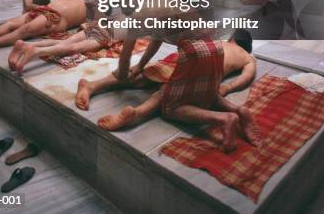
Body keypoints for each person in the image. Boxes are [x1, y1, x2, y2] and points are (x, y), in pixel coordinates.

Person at [76, 28, 261, 152]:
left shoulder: (220, 41)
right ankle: (135, 113)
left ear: (232, 39)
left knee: (144, 79)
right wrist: (228, 87)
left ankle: (95, 88)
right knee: (165, 91)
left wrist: (140, 64)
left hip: (186, 59)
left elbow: (156, 39)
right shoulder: (247, 57)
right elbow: (247, 76)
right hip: (206, 69)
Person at [8, 0, 145, 73]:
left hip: (100, 25)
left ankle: (24, 45)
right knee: (73, 47)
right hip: (107, 33)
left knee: (67, 41)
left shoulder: (122, 10)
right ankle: (35, 51)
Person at [0, 0, 88, 52]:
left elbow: (91, 28)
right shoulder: (83, 0)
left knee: (25, 29)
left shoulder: (95, 14)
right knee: (10, 23)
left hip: (55, 18)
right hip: (45, 9)